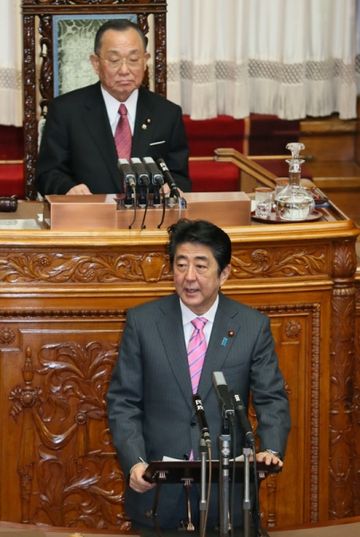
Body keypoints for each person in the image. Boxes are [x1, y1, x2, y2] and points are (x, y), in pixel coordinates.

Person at [107, 219, 290, 532]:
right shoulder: (143, 322)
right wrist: (135, 461)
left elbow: (271, 398)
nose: (189, 277)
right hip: (158, 490)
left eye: (201, 266)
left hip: (227, 496)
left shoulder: (251, 326)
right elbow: (123, 401)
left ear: (224, 273)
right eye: (181, 265)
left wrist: (270, 451)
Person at [36, 19, 190, 196]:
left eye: (133, 59)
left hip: (149, 218)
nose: (124, 70)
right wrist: (68, 189)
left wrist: (172, 187)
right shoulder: (66, 111)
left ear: (145, 61)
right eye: (114, 60)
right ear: (96, 63)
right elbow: (47, 174)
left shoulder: (167, 113)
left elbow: (179, 175)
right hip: (89, 217)